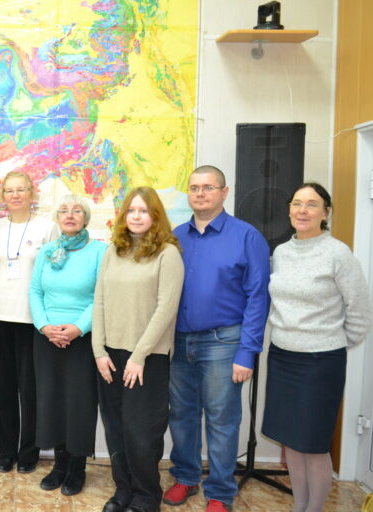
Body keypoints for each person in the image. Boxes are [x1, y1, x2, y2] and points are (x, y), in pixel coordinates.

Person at [164, 165, 270, 512]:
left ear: (224, 192)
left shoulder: (247, 236)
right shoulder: (176, 237)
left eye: (208, 187)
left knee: (222, 420)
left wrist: (247, 352)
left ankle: (221, 493)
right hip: (179, 342)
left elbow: (258, 297)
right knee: (182, 415)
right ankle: (185, 477)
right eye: (194, 187)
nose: (200, 193)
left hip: (224, 342)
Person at [262, 182, 373, 512]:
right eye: (297, 203)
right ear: (289, 210)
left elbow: (360, 308)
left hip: (320, 363)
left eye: (311, 204)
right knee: (292, 442)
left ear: (326, 213)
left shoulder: (338, 253)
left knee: (313, 444)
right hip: (282, 357)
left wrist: (335, 342)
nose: (302, 210)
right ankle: (299, 506)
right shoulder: (282, 252)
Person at [93, 187, 184, 512]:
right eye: (131, 210)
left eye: (143, 211)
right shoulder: (113, 251)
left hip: (146, 358)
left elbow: (166, 308)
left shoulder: (167, 253)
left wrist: (139, 355)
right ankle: (123, 491)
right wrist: (98, 351)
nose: (136, 216)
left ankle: (146, 497)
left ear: (155, 216)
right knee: (115, 428)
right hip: (110, 356)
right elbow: (99, 301)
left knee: (141, 432)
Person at [29, 194, 106, 496]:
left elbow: (101, 296)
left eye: (77, 211)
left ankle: (77, 468)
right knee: (51, 402)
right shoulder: (48, 250)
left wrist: (77, 328)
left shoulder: (99, 251)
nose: (70, 215)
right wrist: (44, 326)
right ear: (57, 218)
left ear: (86, 218)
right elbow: (35, 291)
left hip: (82, 339)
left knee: (79, 404)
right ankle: (59, 466)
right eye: (64, 211)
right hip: (47, 338)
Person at [0, 171, 57, 474]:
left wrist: (49, 319)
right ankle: (6, 451)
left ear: (32, 193)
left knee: (30, 389)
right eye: (9, 190)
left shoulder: (47, 227)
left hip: (32, 320)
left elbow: (54, 275)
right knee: (3, 387)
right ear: (2, 196)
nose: (15, 195)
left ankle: (29, 451)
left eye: (21, 190)